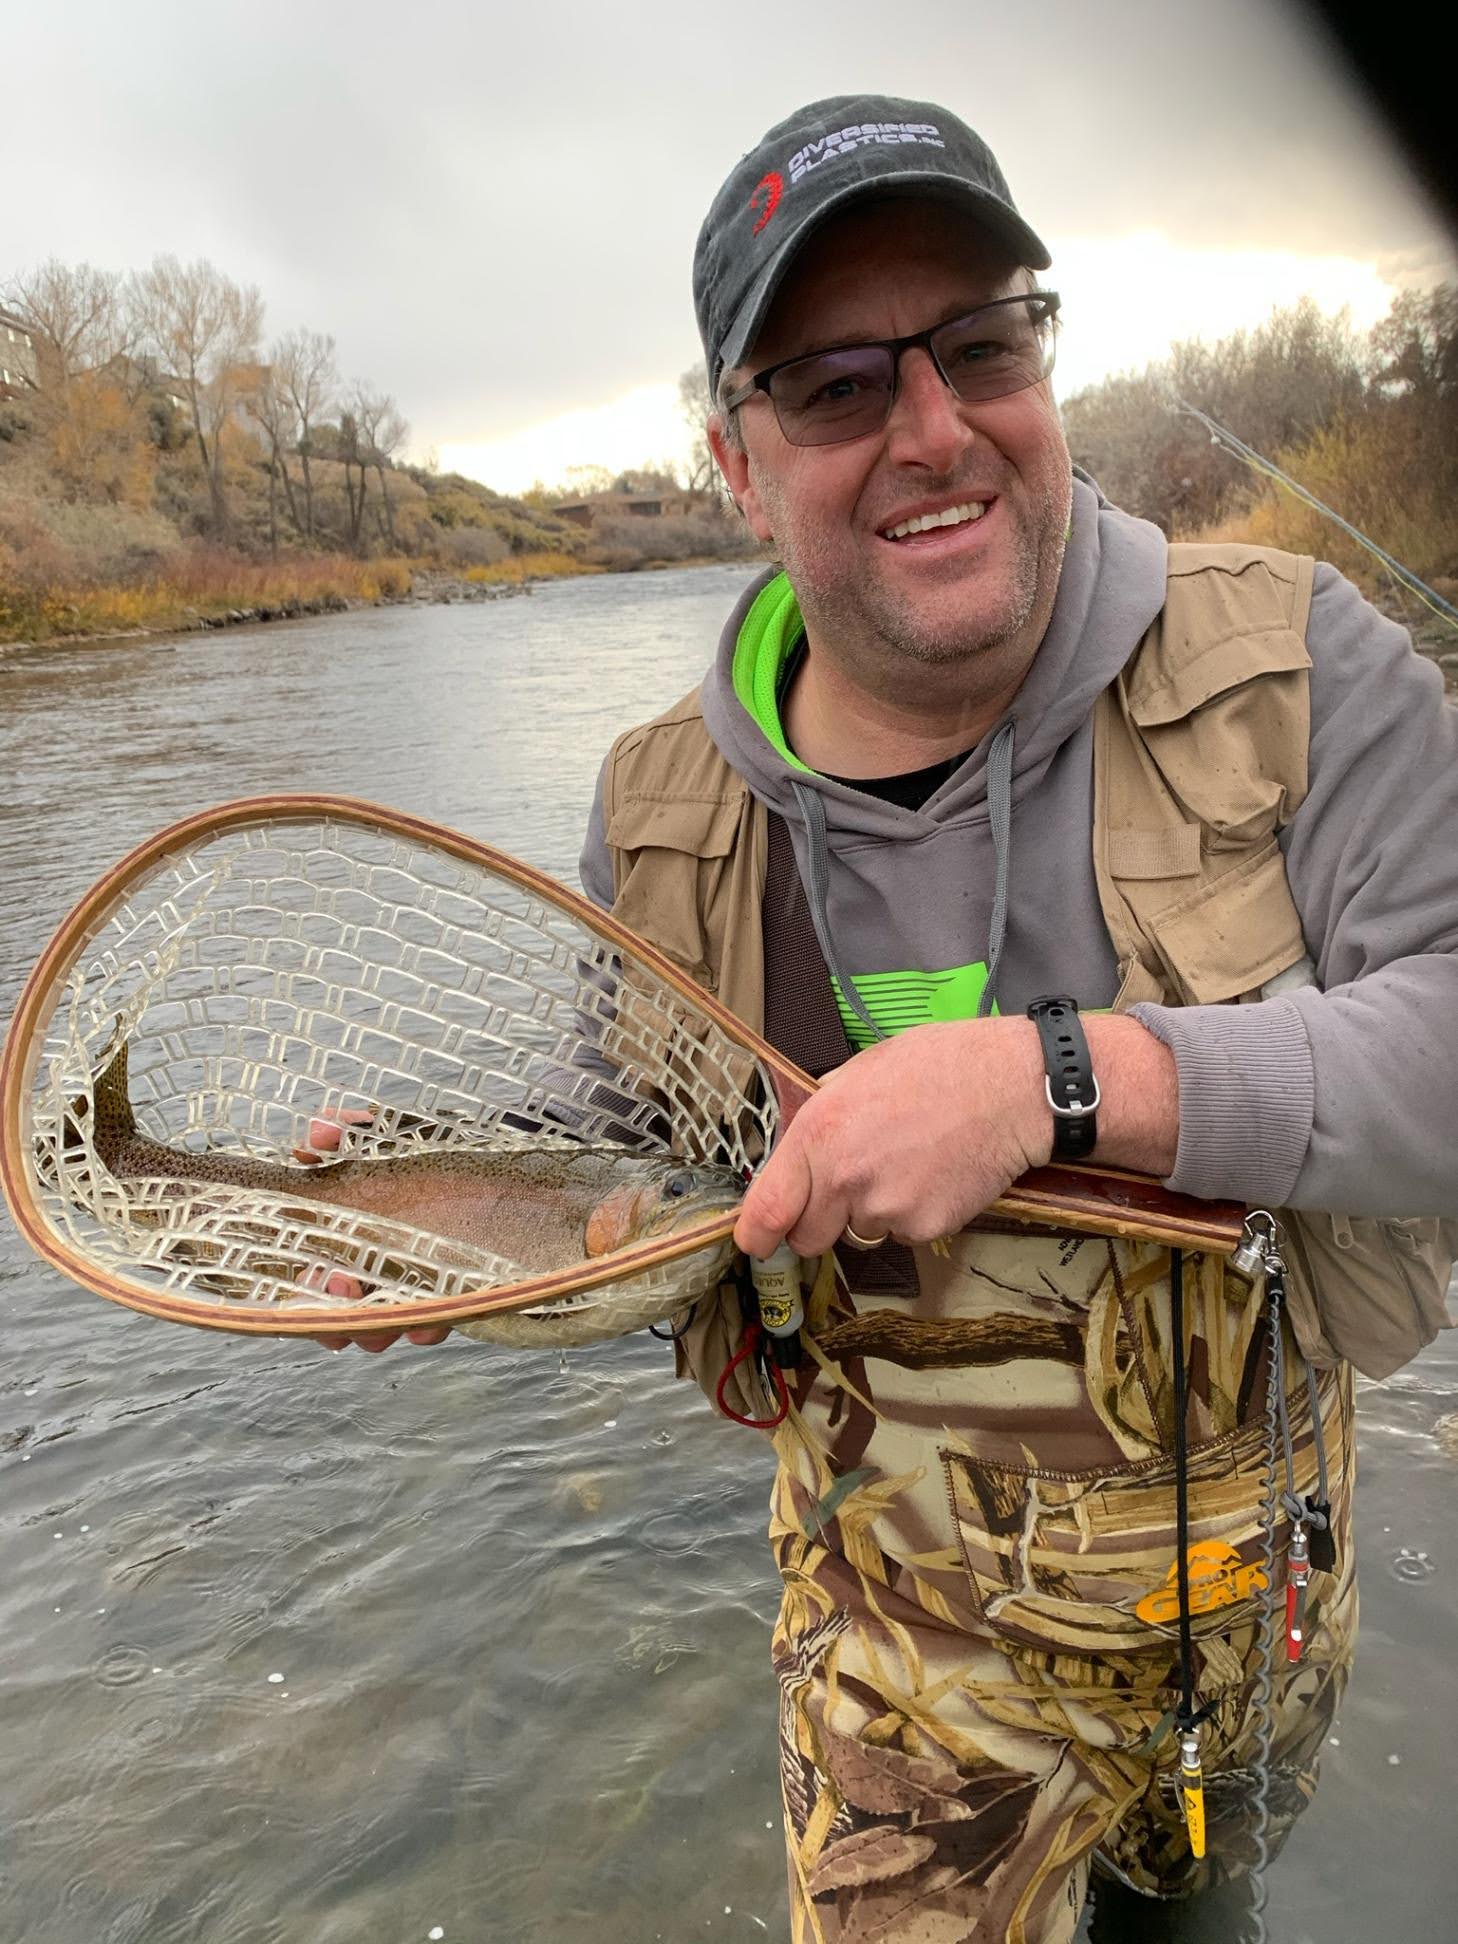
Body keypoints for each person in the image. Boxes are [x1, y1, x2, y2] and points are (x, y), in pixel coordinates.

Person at [318, 96, 1458, 1941]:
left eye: (981, 344)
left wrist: (1054, 1079)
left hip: (1253, 1601)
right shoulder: (658, 805)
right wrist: (460, 1228)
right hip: (895, 1675)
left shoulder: (1303, 669)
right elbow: (637, 1139)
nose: (934, 428)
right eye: (837, 385)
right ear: (732, 460)